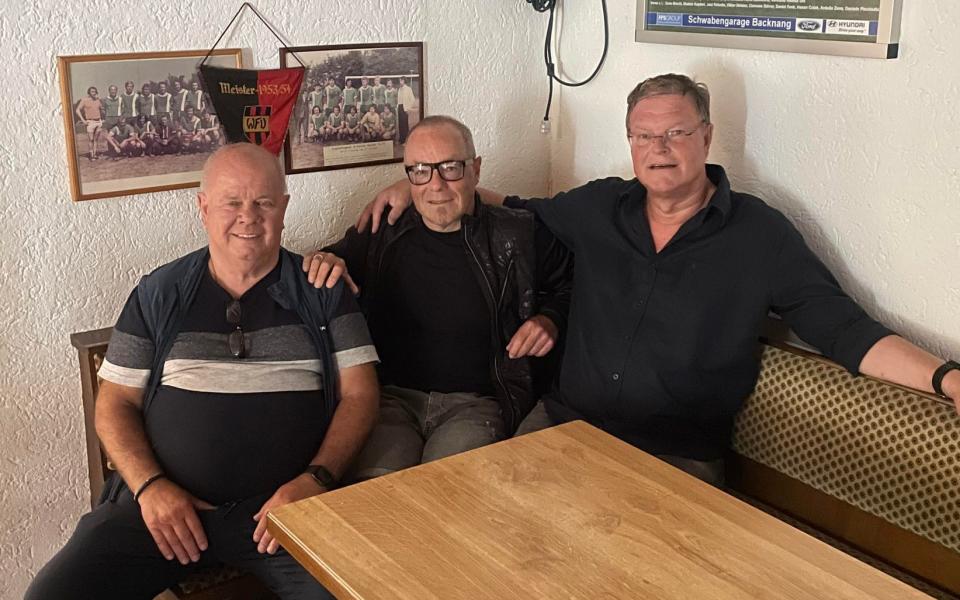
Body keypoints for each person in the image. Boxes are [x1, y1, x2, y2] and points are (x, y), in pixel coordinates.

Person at [355, 74, 960, 487]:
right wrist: (415, 189)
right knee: (479, 533)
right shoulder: (598, 209)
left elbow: (845, 329)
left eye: (676, 132)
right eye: (645, 134)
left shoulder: (760, 236)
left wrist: (946, 378)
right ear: (630, 142)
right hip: (560, 428)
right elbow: (504, 203)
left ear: (707, 136)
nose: (660, 148)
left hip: (676, 457)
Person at [26, 143, 380, 600]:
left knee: (362, 593)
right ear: (204, 207)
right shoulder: (158, 293)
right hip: (161, 510)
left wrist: (315, 481)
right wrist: (150, 488)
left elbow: (361, 395)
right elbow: (114, 402)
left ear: (284, 208)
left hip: (282, 513)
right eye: (232, 202)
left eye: (264, 202)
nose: (248, 217)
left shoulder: (324, 291)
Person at [302, 116, 571, 480]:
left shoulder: (519, 233)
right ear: (407, 175)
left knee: (446, 496)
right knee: (372, 496)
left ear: (475, 169)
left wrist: (549, 318)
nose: (436, 185)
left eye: (450, 168)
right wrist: (323, 259)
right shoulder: (383, 231)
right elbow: (329, 263)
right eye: (421, 171)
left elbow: (572, 283)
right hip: (391, 400)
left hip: (477, 404)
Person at [75, 86, 103, 160]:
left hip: (98, 121)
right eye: (92, 91)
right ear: (89, 93)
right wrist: (83, 120)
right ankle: (91, 155)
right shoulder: (84, 100)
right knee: (91, 139)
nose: (94, 93)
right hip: (90, 122)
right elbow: (77, 110)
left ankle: (95, 154)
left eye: (95, 91)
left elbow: (101, 109)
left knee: (96, 139)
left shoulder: (98, 100)